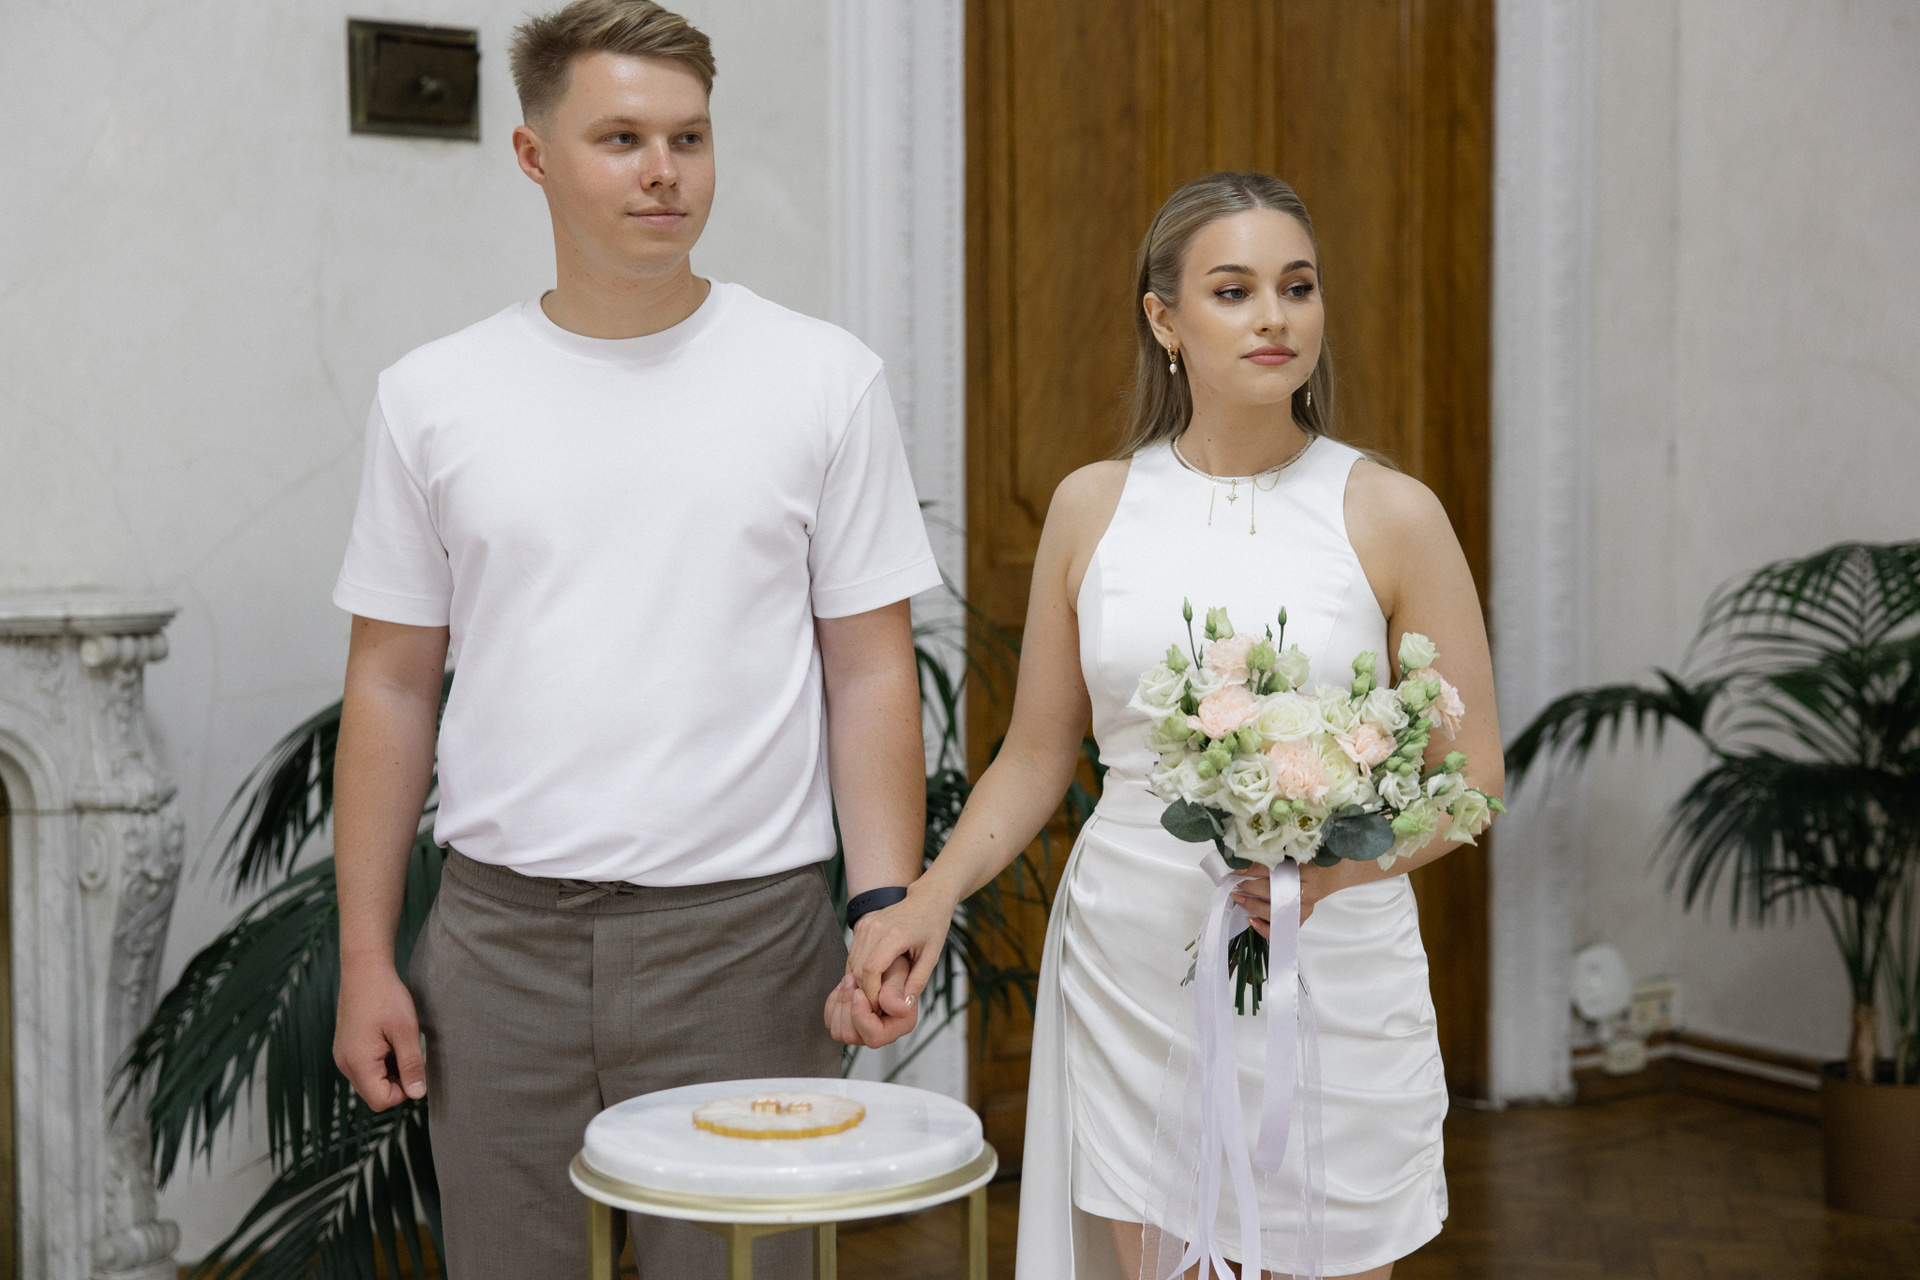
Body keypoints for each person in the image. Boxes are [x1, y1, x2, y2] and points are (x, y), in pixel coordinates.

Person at [328, 3, 934, 1276]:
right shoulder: (433, 396)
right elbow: (390, 686)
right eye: (620, 138)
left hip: (747, 948)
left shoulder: (822, 379)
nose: (664, 170)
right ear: (534, 155)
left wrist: (884, 902)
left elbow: (872, 666)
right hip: (496, 953)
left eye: (688, 138)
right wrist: (366, 955)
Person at [843, 171, 1504, 1279]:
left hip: (1335, 963)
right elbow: (1038, 755)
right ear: (1165, 319)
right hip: (1135, 956)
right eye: (1234, 291)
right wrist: (930, 893)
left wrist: (1341, 873)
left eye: (1298, 287)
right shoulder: (1090, 506)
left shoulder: (1393, 512)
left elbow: (1472, 777)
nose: (1274, 317)